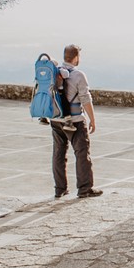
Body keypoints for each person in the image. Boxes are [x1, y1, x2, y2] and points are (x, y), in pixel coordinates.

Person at [51, 45, 103, 199]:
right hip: (75, 121)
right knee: (82, 154)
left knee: (58, 154)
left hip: (56, 119)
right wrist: (92, 119)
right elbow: (85, 99)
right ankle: (85, 188)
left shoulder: (55, 72)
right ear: (75, 57)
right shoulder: (78, 75)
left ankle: (60, 189)